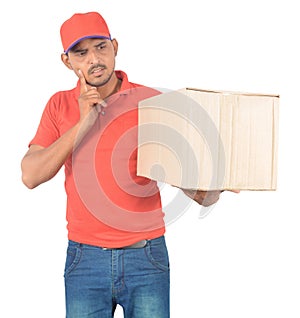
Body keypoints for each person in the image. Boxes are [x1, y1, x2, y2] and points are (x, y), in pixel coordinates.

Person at [21, 12, 223, 318]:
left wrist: (211, 187)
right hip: (84, 259)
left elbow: (200, 192)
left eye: (101, 47)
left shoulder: (152, 101)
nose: (94, 59)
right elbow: (30, 175)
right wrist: (83, 124)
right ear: (67, 62)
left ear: (115, 47)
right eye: (81, 52)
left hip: (146, 258)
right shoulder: (58, 105)